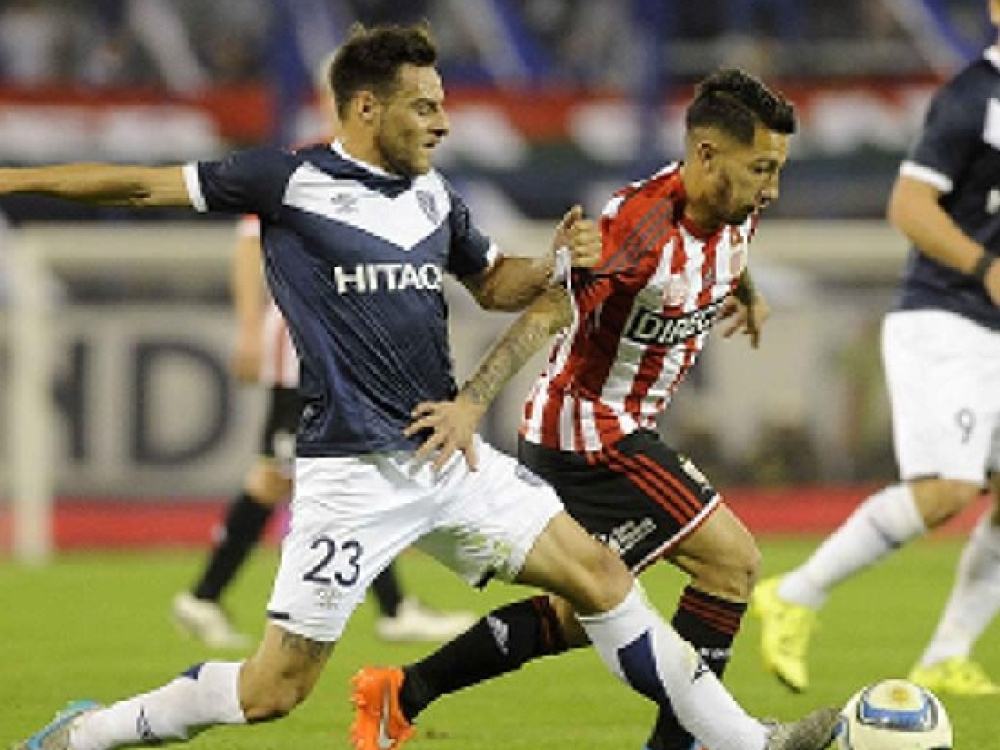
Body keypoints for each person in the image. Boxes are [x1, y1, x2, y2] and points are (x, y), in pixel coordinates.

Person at [10, 23, 838, 750]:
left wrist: (554, 262)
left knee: (601, 577)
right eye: (425, 107)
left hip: (445, 451)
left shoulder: (435, 197)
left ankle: (746, 742)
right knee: (273, 691)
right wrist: (13, 182)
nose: (443, 122)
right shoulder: (287, 180)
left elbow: (495, 285)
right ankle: (90, 733)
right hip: (349, 474)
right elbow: (139, 183)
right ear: (368, 109)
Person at [351, 65, 791, 750]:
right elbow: (549, 312)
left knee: (578, 611)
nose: (772, 188)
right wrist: (471, 404)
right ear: (706, 155)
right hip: (590, 433)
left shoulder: (738, 205)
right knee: (731, 563)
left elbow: (731, 248)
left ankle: (401, 693)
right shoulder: (636, 230)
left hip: (615, 429)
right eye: (762, 169)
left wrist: (749, 294)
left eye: (776, 169)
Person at [753, 0, 1000, 698]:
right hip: (946, 320)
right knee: (947, 491)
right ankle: (794, 594)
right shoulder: (973, 98)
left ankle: (946, 654)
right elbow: (909, 206)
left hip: (992, 328)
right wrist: (985, 267)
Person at [171, 213, 476, 648]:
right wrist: (250, 331)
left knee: (298, 476)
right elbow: (250, 242)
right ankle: (394, 610)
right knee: (320, 475)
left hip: (334, 351)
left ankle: (205, 597)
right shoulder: (296, 179)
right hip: (305, 351)